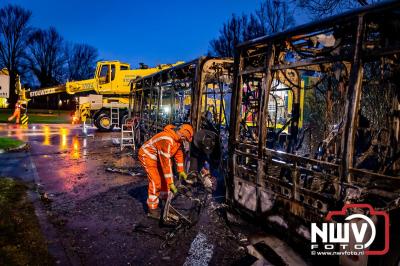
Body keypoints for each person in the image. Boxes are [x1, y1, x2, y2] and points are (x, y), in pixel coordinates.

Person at [138, 124, 194, 219]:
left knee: (164, 180)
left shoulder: (177, 140)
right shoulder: (166, 139)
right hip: (147, 156)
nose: (184, 141)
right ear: (182, 135)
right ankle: (152, 209)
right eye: (185, 139)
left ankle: (164, 201)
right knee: (156, 182)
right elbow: (166, 164)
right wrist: (171, 183)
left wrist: (181, 171)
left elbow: (179, 154)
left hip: (157, 157)